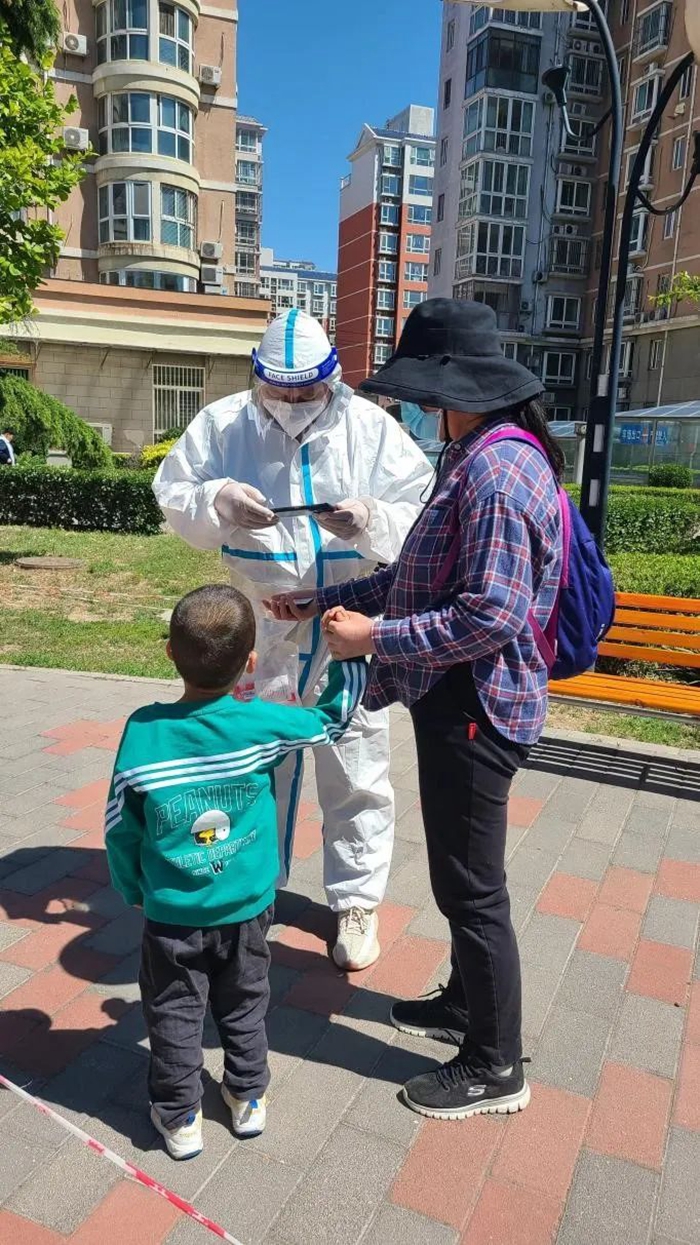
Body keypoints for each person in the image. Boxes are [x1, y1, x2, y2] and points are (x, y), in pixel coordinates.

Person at [268, 299, 564, 1122]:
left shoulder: (496, 473)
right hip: (455, 698)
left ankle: (495, 1064)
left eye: (424, 390)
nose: (419, 405)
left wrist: (377, 637)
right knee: (463, 876)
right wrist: (326, 600)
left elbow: (491, 614)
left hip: (477, 706)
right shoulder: (476, 453)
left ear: (454, 386)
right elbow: (418, 573)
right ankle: (467, 1005)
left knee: (471, 889)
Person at [153, 311, 432, 971]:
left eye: (307, 390)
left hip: (345, 619)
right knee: (252, 759)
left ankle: (357, 900)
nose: (294, 402)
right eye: (281, 390)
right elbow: (172, 492)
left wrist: (369, 518)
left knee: (356, 764)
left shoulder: (370, 428)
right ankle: (254, 886)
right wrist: (218, 498)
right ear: (259, 379)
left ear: (332, 378)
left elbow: (421, 509)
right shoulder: (225, 424)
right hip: (259, 620)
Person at [104, 584, 366, 1161]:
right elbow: (331, 721)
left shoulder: (144, 730)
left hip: (171, 913)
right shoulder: (261, 724)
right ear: (250, 662)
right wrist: (350, 657)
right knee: (245, 1000)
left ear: (169, 652)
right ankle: (247, 1097)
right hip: (248, 906)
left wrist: (131, 886)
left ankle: (180, 1116)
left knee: (173, 1011)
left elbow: (121, 825)